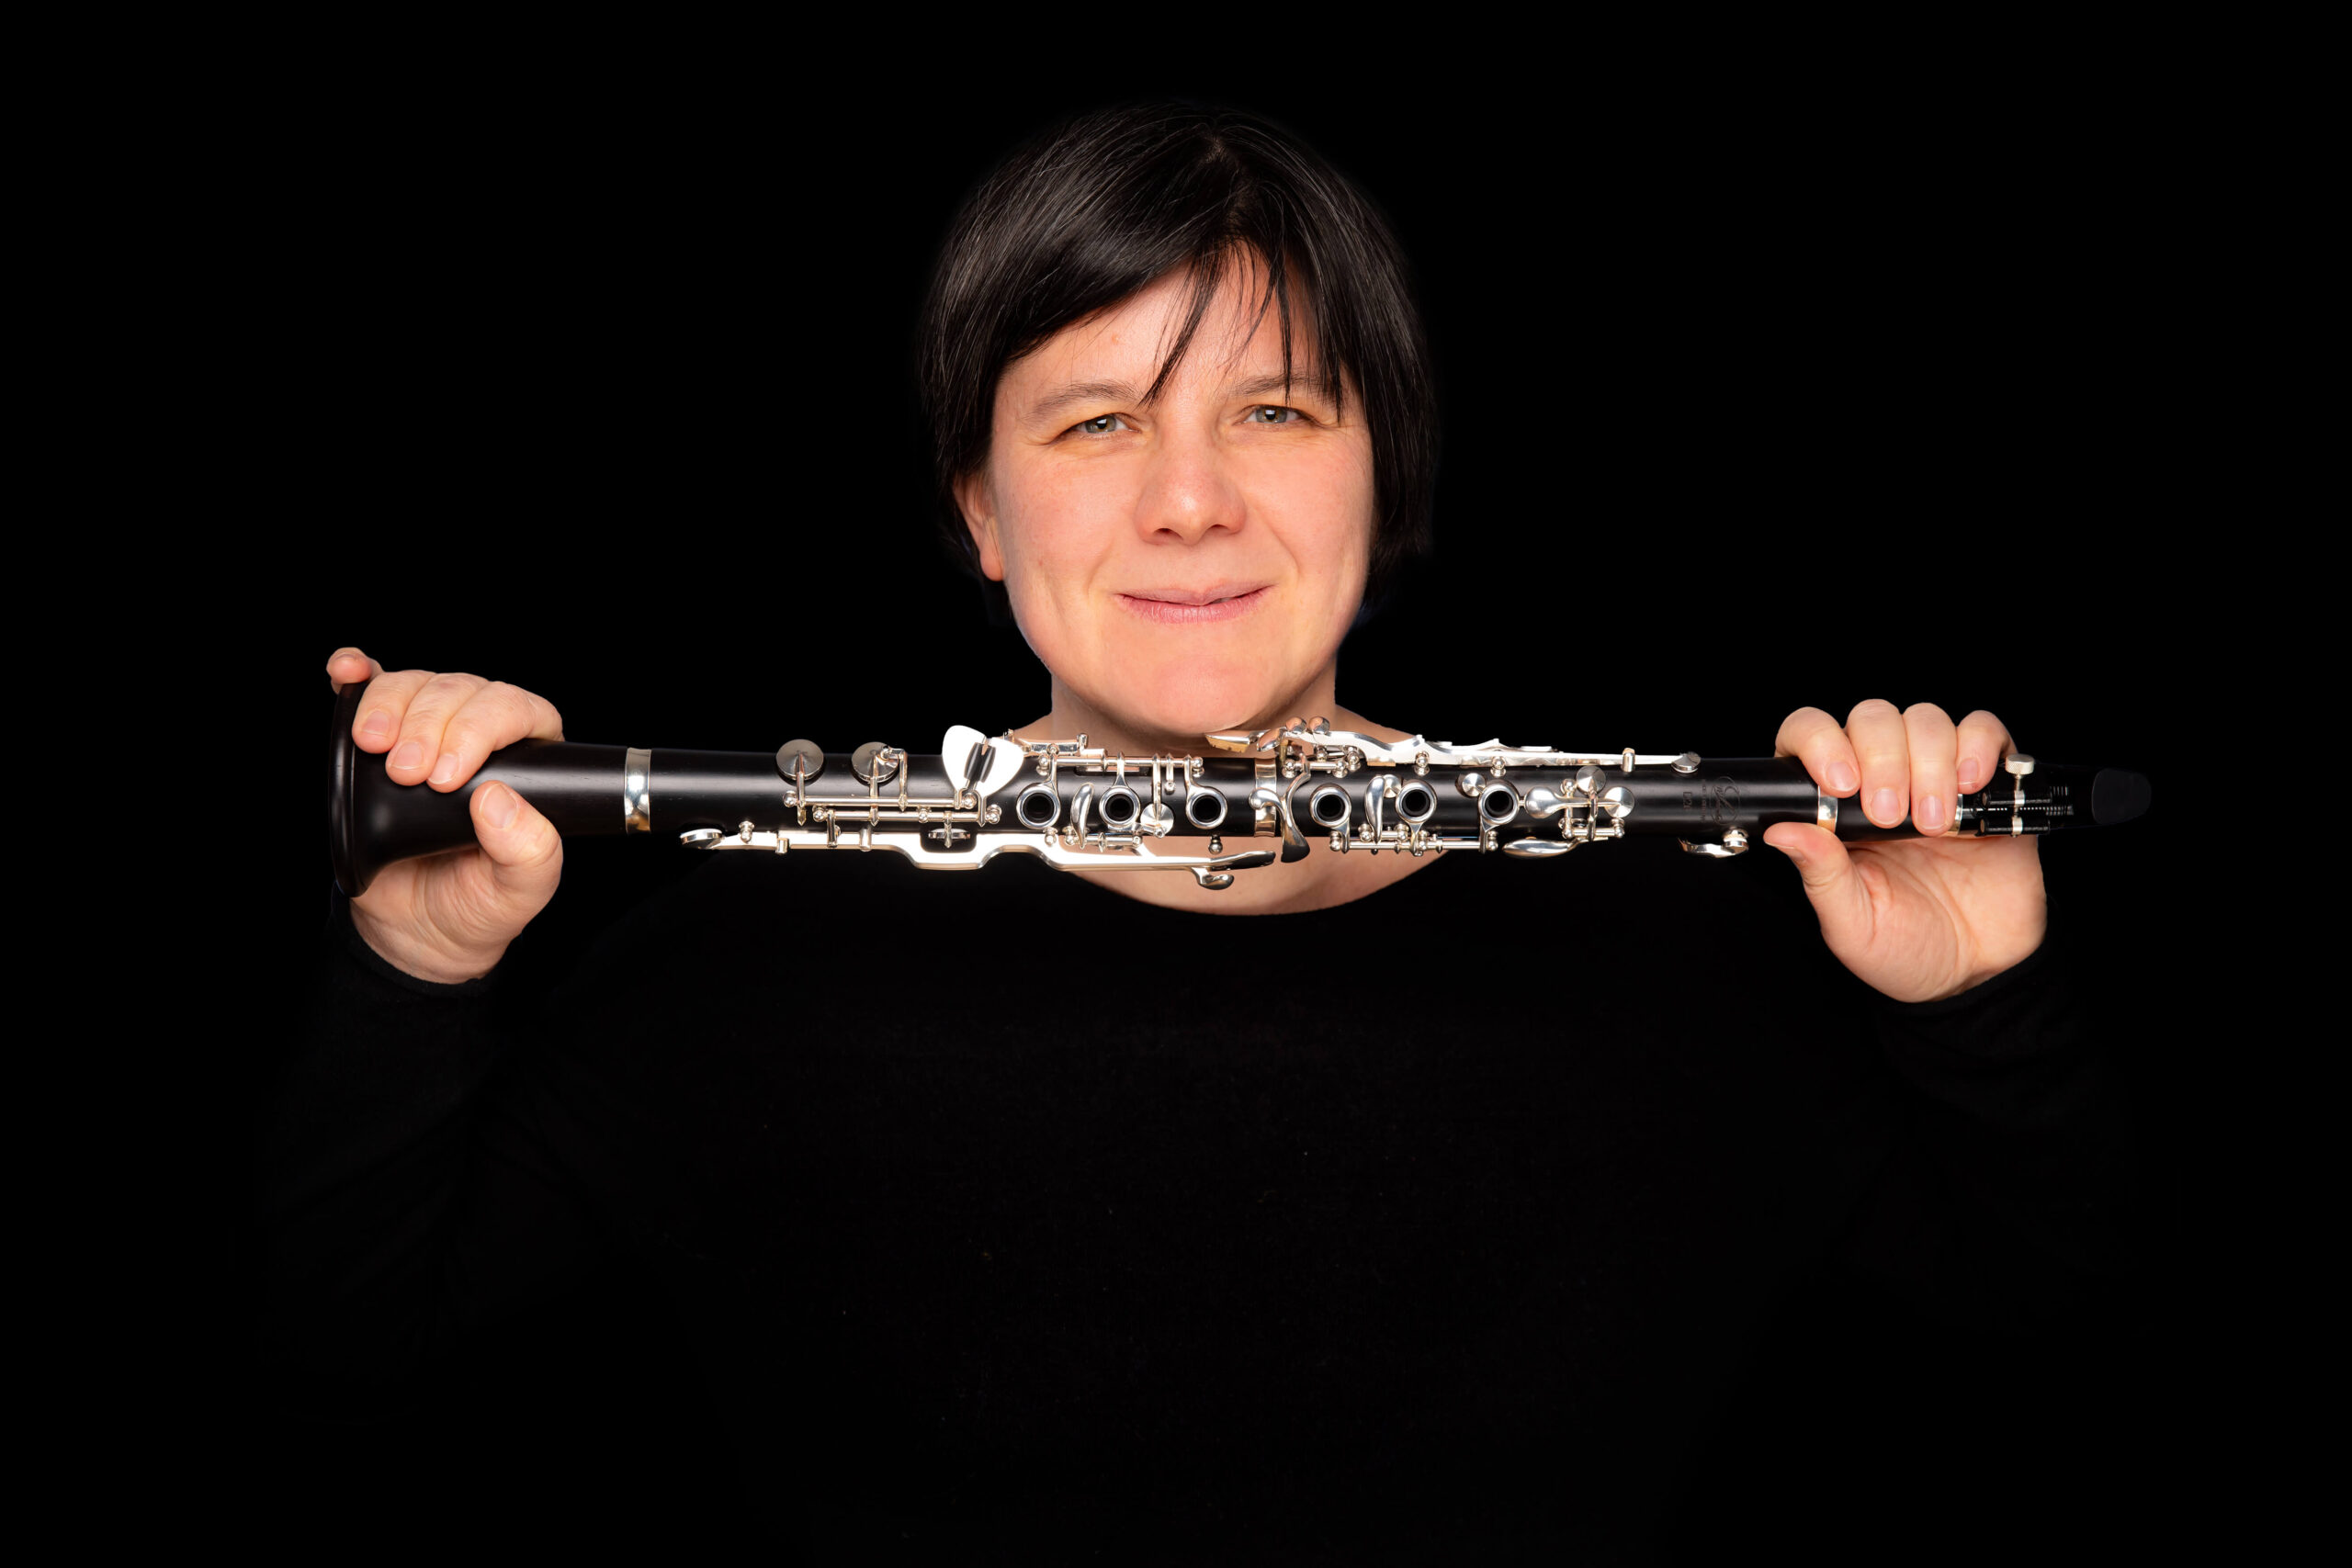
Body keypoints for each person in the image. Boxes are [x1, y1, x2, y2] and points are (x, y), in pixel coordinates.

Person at [267, 103, 2131, 1560]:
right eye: (1094, 423)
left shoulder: (1678, 929)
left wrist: (1981, 997)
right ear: (977, 505)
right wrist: (409, 968)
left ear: (1382, 467)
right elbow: (341, 1354)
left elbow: (2058, 1330)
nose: (1188, 502)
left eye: (1274, 408)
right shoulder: (742, 947)